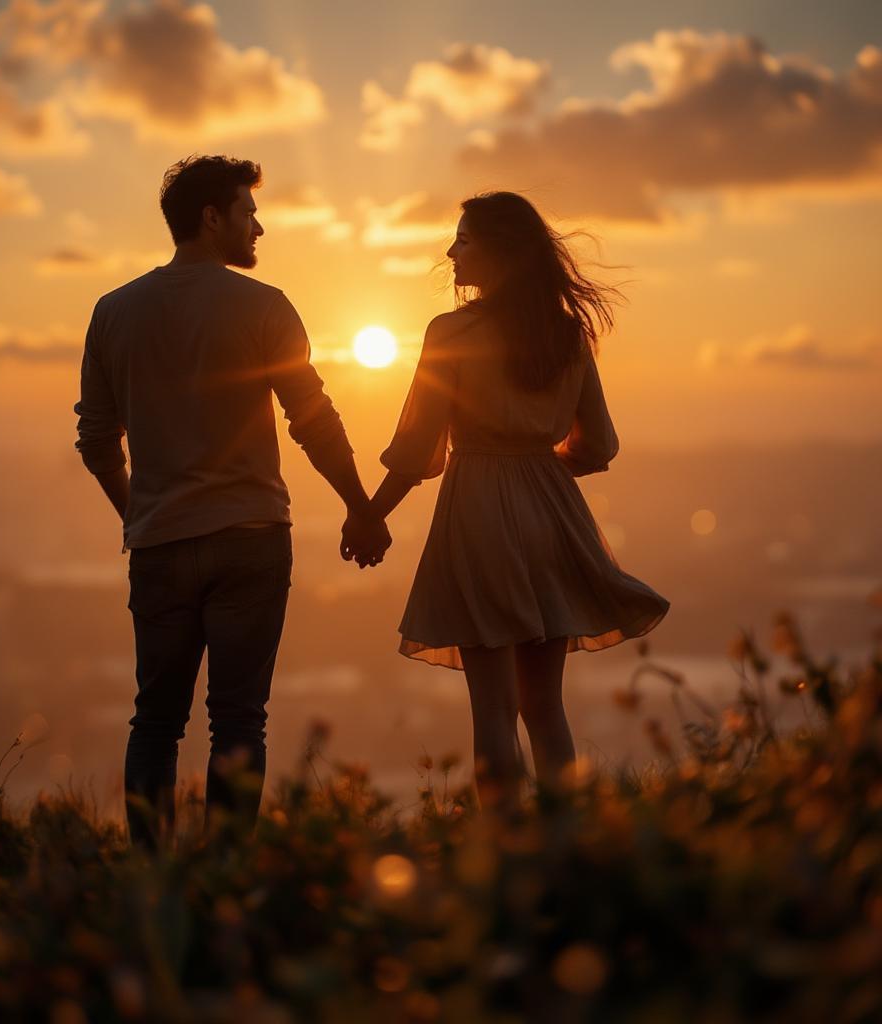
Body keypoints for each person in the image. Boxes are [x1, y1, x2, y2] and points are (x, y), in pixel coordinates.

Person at [74, 154, 390, 851]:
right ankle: (224, 881)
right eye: (248, 213)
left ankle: (154, 882)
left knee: (155, 721)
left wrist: (139, 514)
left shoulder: (113, 312)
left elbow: (97, 441)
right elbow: (312, 419)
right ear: (212, 219)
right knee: (239, 720)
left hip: (158, 543)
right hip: (250, 537)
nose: (260, 227)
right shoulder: (263, 307)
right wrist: (361, 506)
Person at [355, 191, 670, 811]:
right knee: (544, 707)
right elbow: (598, 445)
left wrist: (369, 515)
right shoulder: (565, 335)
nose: (451, 251)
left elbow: (418, 450)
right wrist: (538, 469)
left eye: (464, 239)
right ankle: (563, 841)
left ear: (498, 253)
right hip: (554, 514)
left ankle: (503, 851)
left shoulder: (453, 332)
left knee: (493, 712)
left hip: (477, 512)